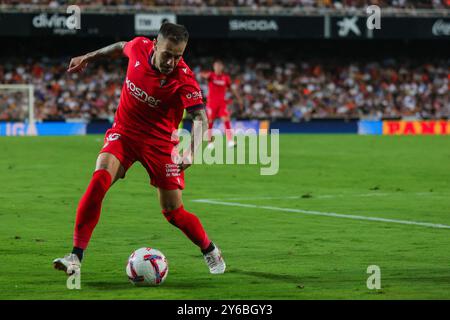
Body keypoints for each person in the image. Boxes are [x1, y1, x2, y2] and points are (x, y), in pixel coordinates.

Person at [53, 23, 226, 276]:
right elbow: (120, 47)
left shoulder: (184, 79)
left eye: (178, 56)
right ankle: (75, 257)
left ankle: (209, 249)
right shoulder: (139, 47)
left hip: (160, 144)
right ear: (155, 45)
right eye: (167, 54)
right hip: (124, 134)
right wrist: (87, 57)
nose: (171, 61)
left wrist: (191, 151)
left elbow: (201, 118)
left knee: (174, 213)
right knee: (100, 179)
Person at [201, 60, 243, 149]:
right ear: (214, 67)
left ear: (222, 67)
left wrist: (239, 98)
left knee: (226, 120)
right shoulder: (211, 75)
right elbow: (203, 75)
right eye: (216, 66)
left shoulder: (225, 78)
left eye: (219, 66)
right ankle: (210, 142)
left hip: (222, 103)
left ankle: (230, 141)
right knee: (210, 122)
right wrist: (205, 75)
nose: (218, 68)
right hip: (211, 103)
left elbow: (231, 88)